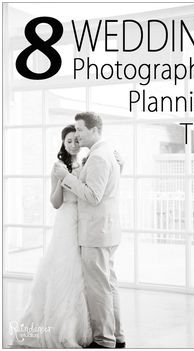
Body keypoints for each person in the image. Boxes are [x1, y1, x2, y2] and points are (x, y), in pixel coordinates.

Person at [9, 125, 93, 348]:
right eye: (69, 141)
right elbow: (55, 203)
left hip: (84, 221)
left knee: (83, 272)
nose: (74, 144)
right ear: (63, 144)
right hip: (66, 222)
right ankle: (63, 327)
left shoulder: (87, 163)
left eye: (77, 140)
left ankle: (82, 325)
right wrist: (63, 179)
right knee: (65, 269)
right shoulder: (58, 166)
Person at [54, 112, 126, 349]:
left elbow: (93, 196)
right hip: (107, 230)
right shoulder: (107, 153)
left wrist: (66, 178)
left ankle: (104, 340)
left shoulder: (97, 157)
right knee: (109, 284)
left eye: (81, 130)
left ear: (95, 130)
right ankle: (118, 335)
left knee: (99, 288)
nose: (78, 134)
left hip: (96, 232)